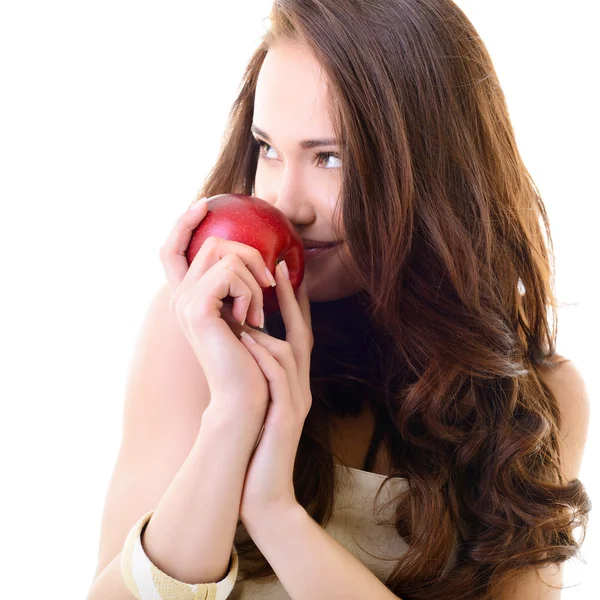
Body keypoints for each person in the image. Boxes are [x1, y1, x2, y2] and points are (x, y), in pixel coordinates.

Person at [86, 1, 591, 599]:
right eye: (268, 149)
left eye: (331, 157)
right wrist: (231, 419)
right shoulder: (200, 339)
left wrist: (276, 513)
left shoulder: (531, 403)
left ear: (431, 169)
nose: (286, 203)